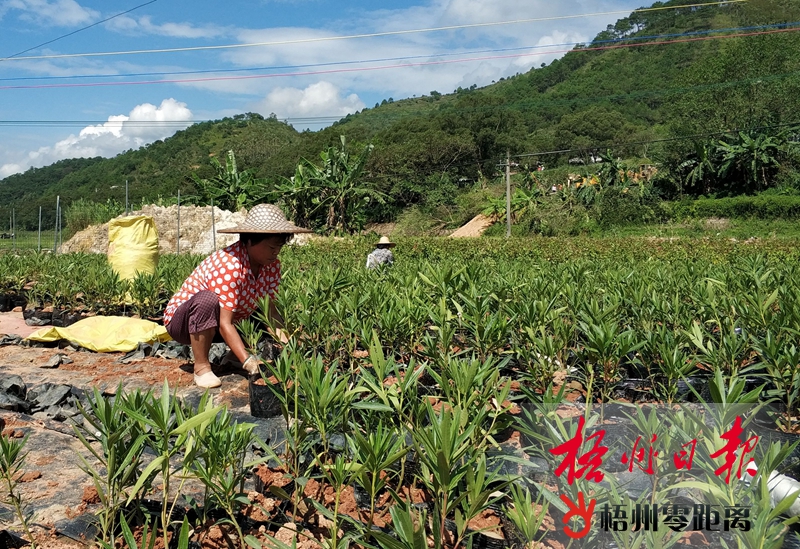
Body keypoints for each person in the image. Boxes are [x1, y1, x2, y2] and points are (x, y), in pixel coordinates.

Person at [163, 204, 311, 388]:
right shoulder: (230, 265)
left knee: (261, 313)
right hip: (184, 323)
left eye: (279, 247)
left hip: (218, 323)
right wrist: (249, 361)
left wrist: (292, 348)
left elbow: (270, 313)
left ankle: (232, 358)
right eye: (271, 246)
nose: (276, 252)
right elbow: (225, 323)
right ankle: (201, 366)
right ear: (249, 241)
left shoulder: (271, 266)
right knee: (207, 300)